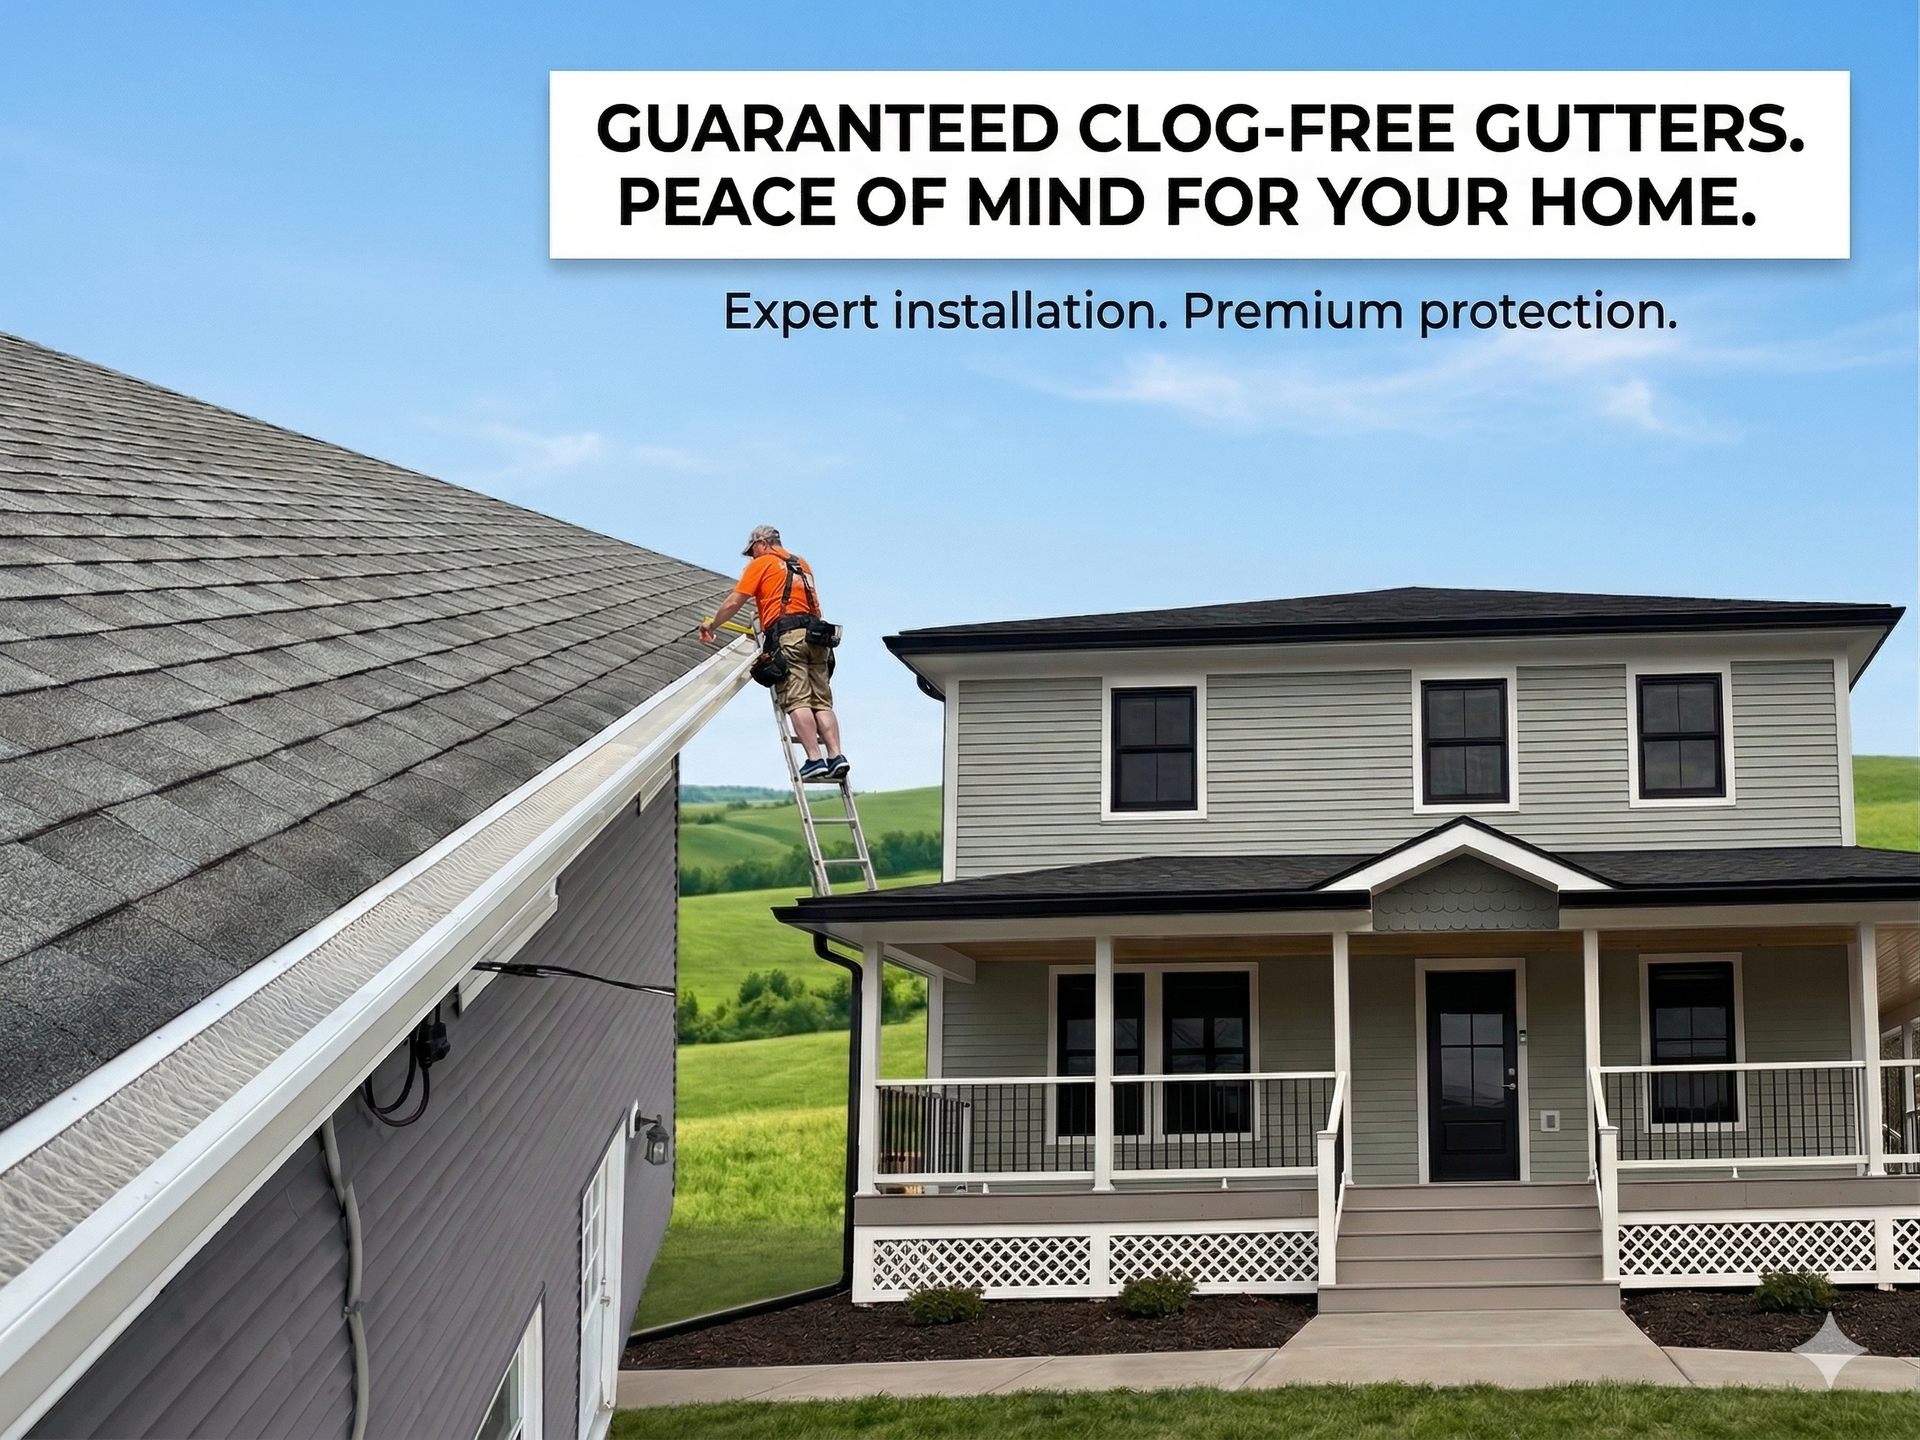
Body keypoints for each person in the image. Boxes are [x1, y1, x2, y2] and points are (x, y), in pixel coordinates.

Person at [700, 525, 849, 782]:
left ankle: (814, 759)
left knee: (796, 699)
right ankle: (836, 755)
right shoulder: (802, 564)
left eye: (753, 551)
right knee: (822, 702)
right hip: (818, 637)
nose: (752, 557)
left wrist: (712, 624)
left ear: (763, 543)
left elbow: (735, 601)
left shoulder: (763, 563)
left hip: (789, 636)